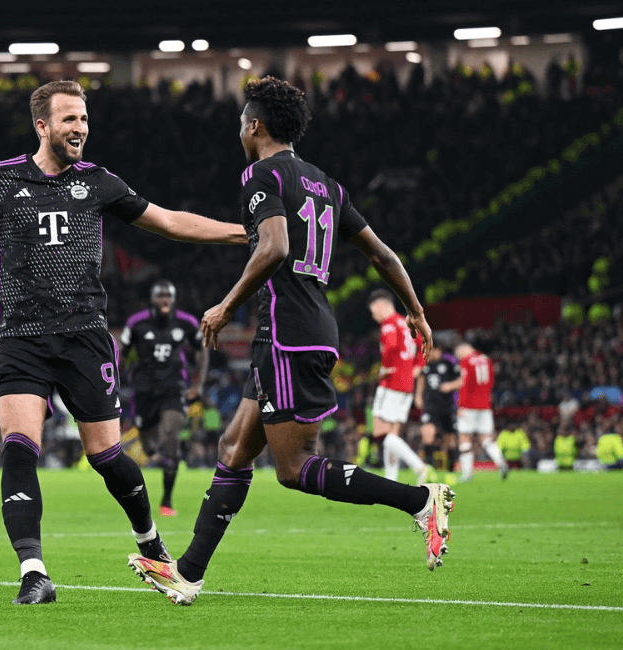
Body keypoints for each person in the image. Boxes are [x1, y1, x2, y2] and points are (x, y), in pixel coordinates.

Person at [0, 80, 247, 605]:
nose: (79, 128)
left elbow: (168, 221)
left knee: (107, 456)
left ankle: (149, 540)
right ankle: (34, 572)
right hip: (21, 339)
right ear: (42, 126)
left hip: (86, 339)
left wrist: (244, 233)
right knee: (19, 447)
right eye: (68, 119)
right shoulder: (0, 180)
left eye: (83, 118)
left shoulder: (98, 182)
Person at [128, 76, 454, 606]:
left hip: (288, 333)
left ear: (254, 125)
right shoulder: (328, 184)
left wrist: (226, 304)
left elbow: (274, 246)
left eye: (240, 122)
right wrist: (415, 311)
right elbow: (383, 256)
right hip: (306, 330)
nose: (240, 130)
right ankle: (187, 573)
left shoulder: (261, 174)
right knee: (232, 449)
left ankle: (422, 500)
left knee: (295, 469)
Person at [120, 280, 207, 516]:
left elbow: (201, 349)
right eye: (160, 296)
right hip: (144, 390)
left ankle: (166, 501)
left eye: (168, 296)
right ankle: (155, 447)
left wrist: (198, 383)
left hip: (173, 387)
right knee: (148, 449)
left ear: (174, 299)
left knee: (171, 435)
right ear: (152, 299)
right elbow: (123, 353)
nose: (164, 300)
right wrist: (117, 381)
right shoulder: (136, 323)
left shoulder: (186, 323)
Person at [367, 289, 432, 483]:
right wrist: (417, 368)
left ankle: (420, 467)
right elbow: (423, 347)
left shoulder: (389, 324)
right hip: (407, 384)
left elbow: (391, 346)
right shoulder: (407, 323)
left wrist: (385, 368)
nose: (374, 316)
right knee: (392, 434)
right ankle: (391, 480)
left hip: (391, 382)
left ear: (381, 305)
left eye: (373, 311)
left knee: (379, 433)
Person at [441, 342, 508, 481]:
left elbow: (464, 383)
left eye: (458, 354)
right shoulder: (486, 360)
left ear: (464, 350)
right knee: (486, 438)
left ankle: (467, 475)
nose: (458, 357)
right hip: (485, 406)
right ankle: (500, 462)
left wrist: (459, 405)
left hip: (468, 406)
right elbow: (491, 382)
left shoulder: (466, 361)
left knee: (465, 438)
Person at [414, 338, 461, 473]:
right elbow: (421, 379)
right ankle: (429, 469)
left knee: (450, 438)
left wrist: (450, 386)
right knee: (427, 434)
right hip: (430, 406)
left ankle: (451, 470)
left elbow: (462, 379)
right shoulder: (425, 363)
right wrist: (418, 396)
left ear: (438, 349)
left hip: (447, 406)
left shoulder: (449, 362)